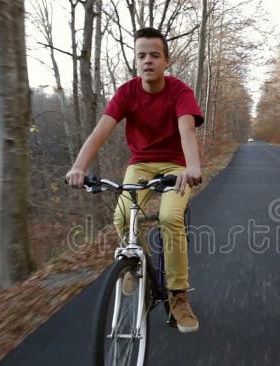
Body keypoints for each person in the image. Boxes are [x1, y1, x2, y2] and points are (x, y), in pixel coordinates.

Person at [65, 27, 204, 333]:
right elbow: (101, 131)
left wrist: (193, 167)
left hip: (176, 164)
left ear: (166, 61)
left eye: (155, 55)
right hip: (140, 163)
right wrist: (79, 166)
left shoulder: (180, 91)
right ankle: (137, 267)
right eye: (141, 55)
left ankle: (178, 295)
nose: (147, 60)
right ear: (135, 60)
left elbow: (187, 130)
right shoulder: (127, 92)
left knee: (169, 217)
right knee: (120, 216)